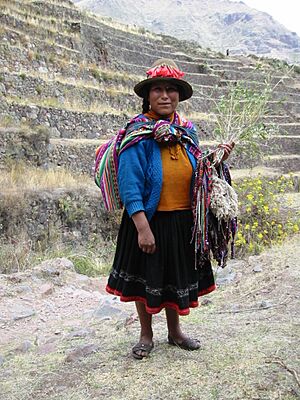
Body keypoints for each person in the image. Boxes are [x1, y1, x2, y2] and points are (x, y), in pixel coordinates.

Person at [94, 59, 235, 359]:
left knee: (175, 278)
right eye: (158, 89)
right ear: (148, 95)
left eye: (171, 90)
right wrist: (142, 227)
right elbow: (130, 184)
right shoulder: (138, 134)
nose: (165, 95)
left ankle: (175, 333)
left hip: (184, 220)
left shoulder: (187, 133)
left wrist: (216, 159)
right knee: (145, 277)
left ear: (179, 96)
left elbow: (199, 171)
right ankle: (146, 335)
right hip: (148, 220)